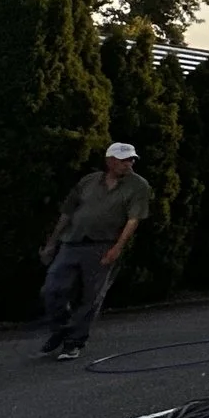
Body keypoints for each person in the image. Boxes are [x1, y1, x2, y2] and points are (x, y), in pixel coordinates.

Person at [39, 142, 151, 360]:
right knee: (52, 289)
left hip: (103, 244)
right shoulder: (88, 181)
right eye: (123, 159)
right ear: (109, 161)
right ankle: (61, 329)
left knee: (91, 297)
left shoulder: (139, 186)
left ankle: (73, 342)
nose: (129, 163)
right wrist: (52, 242)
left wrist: (117, 248)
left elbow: (133, 219)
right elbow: (67, 212)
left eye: (131, 159)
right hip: (72, 241)